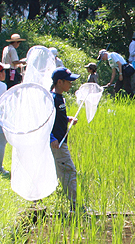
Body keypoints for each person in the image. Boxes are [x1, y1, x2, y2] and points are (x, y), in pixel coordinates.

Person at [49, 67, 81, 210]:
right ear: (59, 82)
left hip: (61, 140)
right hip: (58, 143)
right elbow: (44, 120)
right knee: (69, 170)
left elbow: (57, 117)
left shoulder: (60, 97)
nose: (71, 84)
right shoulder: (51, 99)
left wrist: (68, 119)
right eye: (69, 81)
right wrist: (51, 138)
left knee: (58, 171)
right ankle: (75, 205)